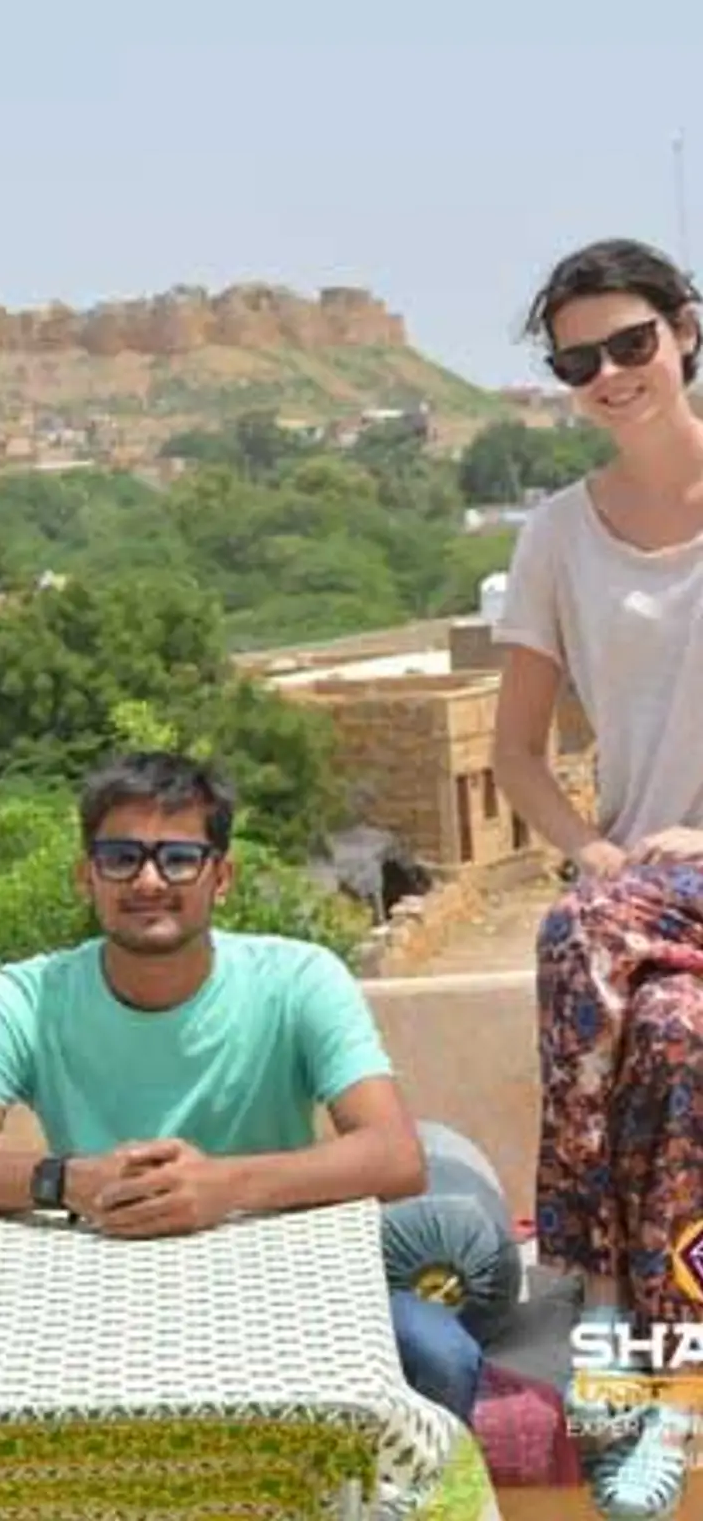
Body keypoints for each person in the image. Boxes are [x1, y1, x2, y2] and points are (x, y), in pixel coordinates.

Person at [0, 753, 484, 1416]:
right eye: (121, 857)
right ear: (86, 876)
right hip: (99, 1296)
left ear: (221, 876)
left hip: (283, 1289)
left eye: (178, 858)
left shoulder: (298, 980)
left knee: (440, 1355)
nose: (149, 880)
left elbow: (396, 1156)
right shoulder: (24, 998)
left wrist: (223, 1187)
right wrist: (69, 1182)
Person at [491, 237, 703, 1513]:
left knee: (575, 939)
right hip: (642, 915)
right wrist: (592, 846)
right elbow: (515, 751)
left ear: (685, 329)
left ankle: (587, 1300)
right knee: (674, 1040)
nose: (613, 372)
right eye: (583, 359)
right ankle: (673, 1376)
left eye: (632, 341)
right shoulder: (561, 536)